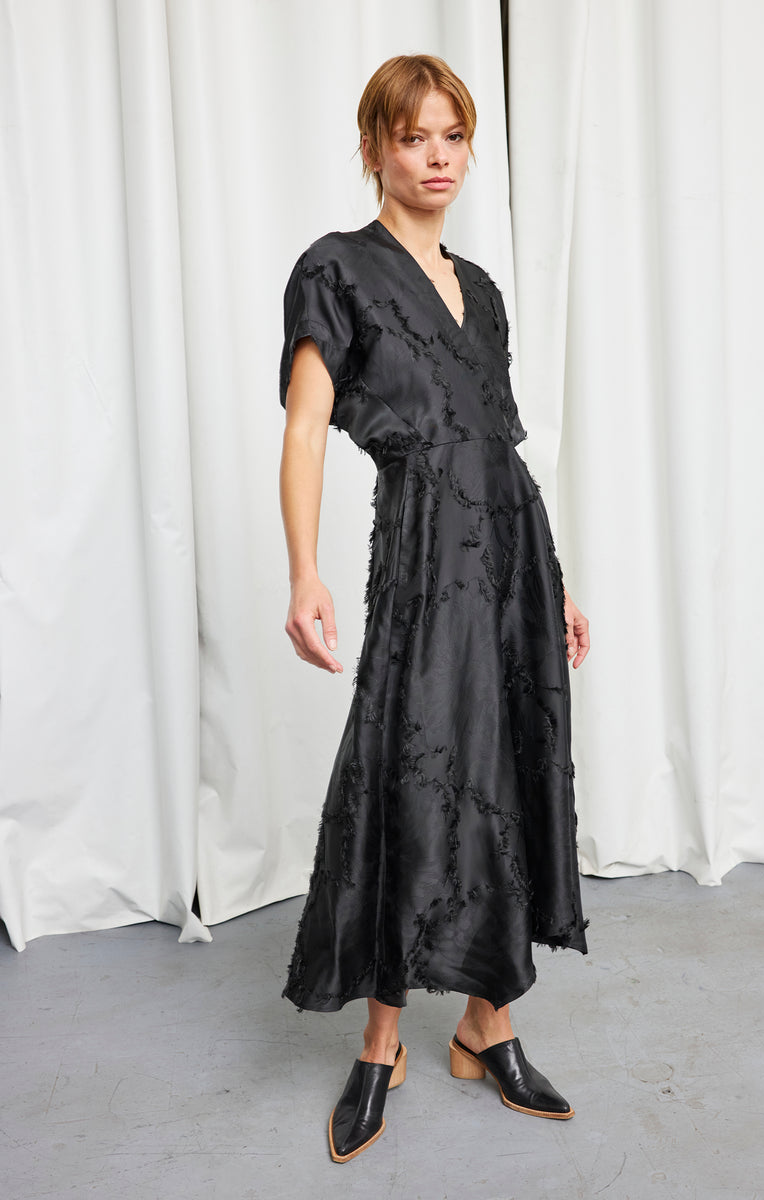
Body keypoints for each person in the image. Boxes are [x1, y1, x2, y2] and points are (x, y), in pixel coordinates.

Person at [278, 54, 590, 1165]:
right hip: (419, 555)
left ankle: (486, 1027)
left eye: (453, 136)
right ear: (375, 149)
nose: (439, 157)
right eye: (415, 138)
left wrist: (556, 587)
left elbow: (501, 447)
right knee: (405, 775)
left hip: (510, 550)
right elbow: (308, 428)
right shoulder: (337, 271)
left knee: (501, 768)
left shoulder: (485, 291)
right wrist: (304, 572)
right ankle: (381, 1042)